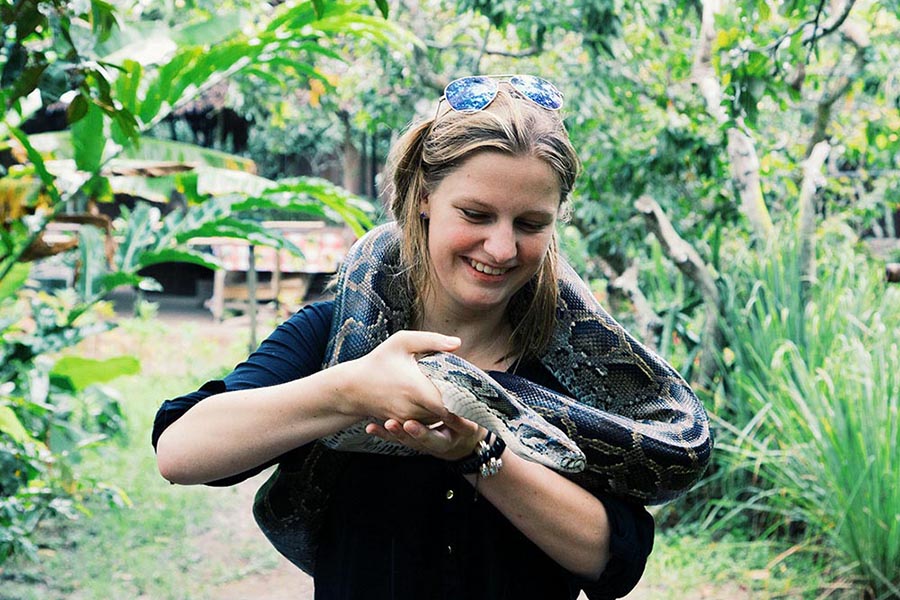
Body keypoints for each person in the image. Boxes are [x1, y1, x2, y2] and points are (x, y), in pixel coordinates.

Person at [153, 75, 677, 600]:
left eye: (531, 224)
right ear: (424, 199)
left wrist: (478, 454)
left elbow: (613, 563)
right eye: (476, 214)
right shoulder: (332, 331)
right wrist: (351, 389)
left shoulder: (576, 375)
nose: (500, 248)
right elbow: (181, 452)